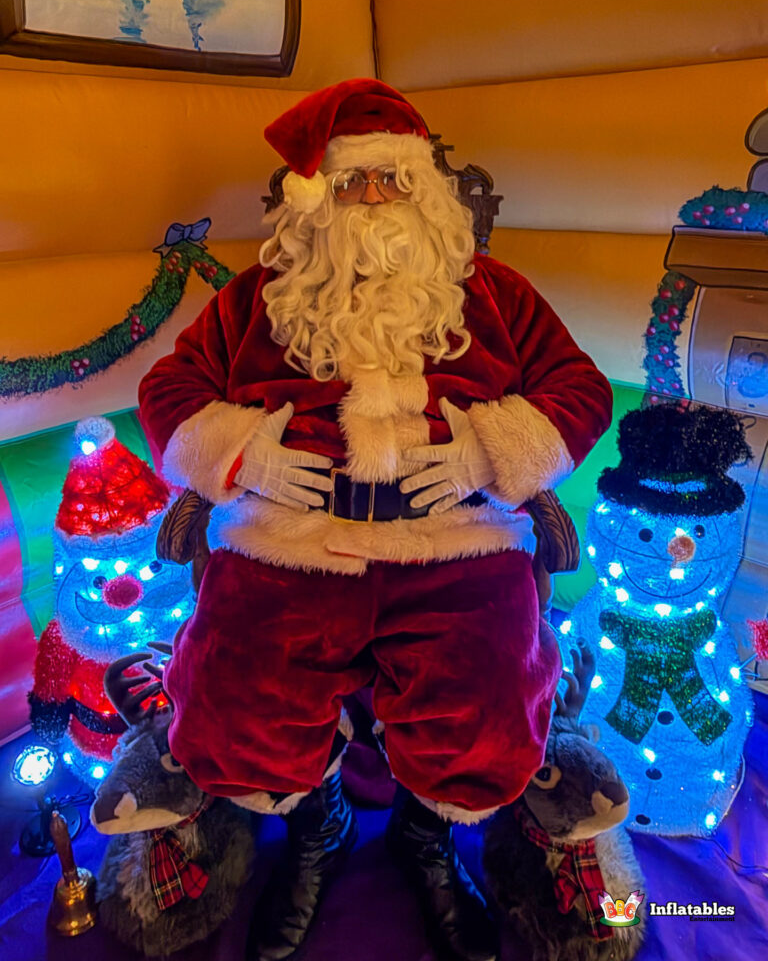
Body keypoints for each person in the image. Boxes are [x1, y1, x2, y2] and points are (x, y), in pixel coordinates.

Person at [139, 78, 613, 961]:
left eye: (391, 181)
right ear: (317, 198)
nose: (372, 201)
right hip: (288, 541)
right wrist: (241, 456)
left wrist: (489, 455)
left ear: (426, 193)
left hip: (459, 537)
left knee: (487, 713)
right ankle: (316, 830)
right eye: (353, 184)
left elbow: (576, 389)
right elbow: (169, 392)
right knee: (235, 707)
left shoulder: (495, 292)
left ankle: (426, 841)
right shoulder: (259, 299)